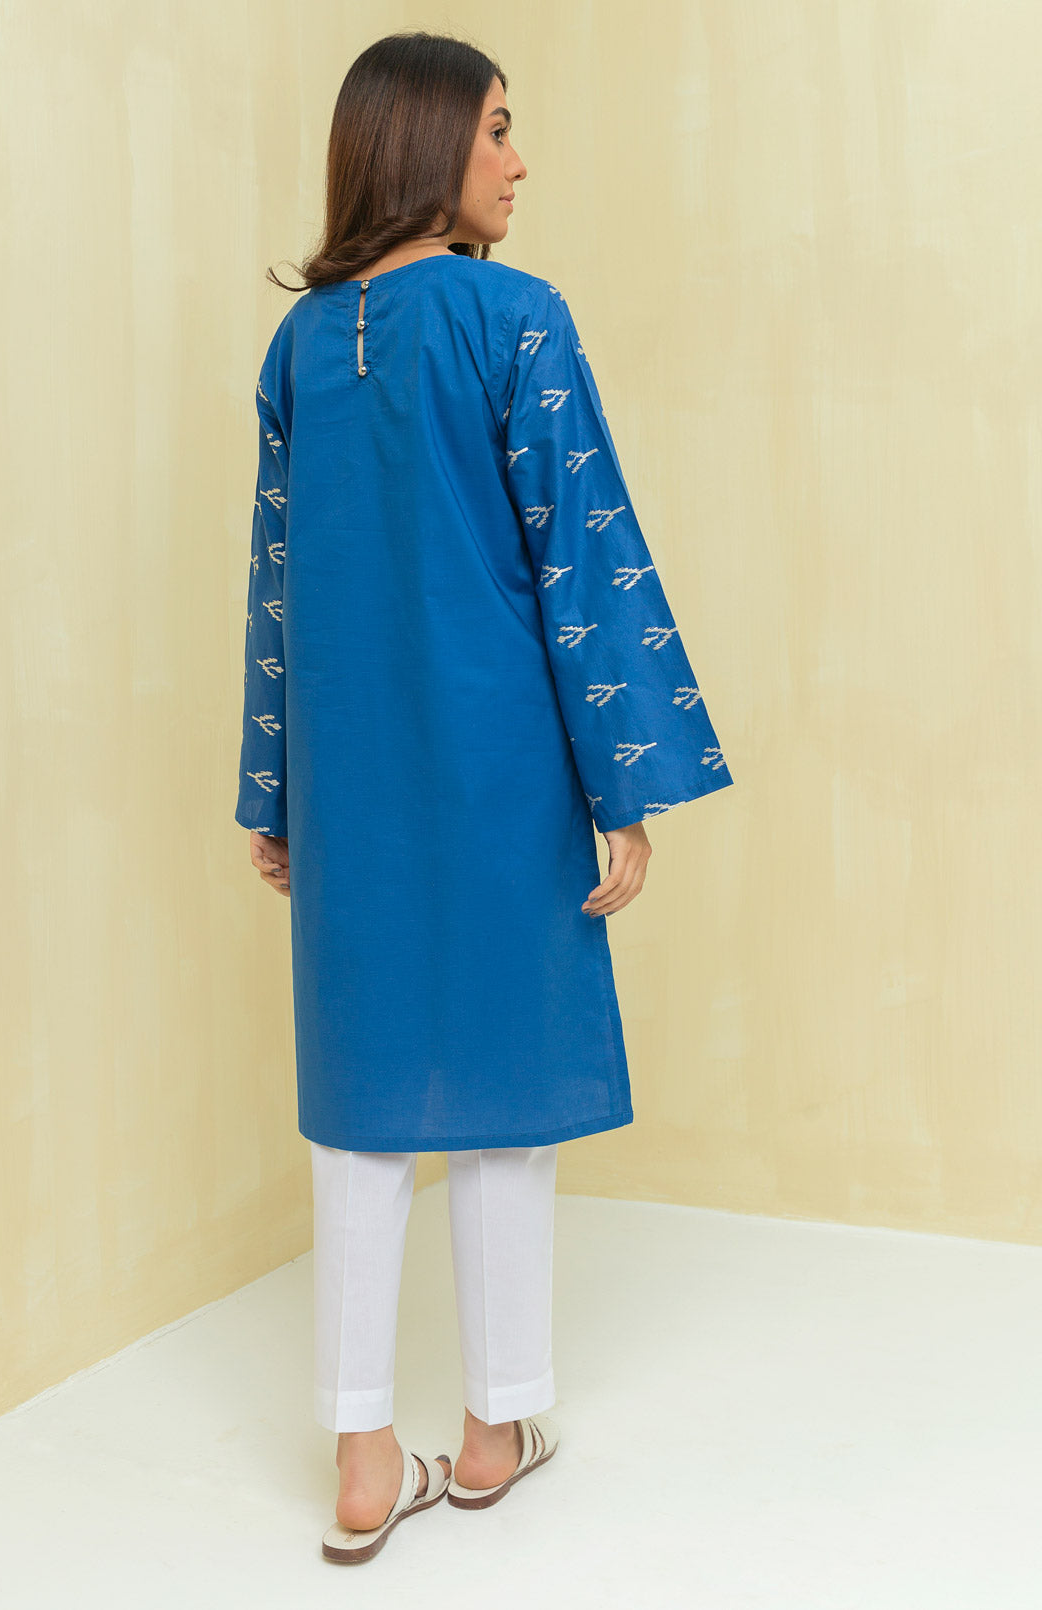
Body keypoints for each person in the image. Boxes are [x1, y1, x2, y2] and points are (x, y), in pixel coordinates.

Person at [235, 31, 735, 1563]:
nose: (519, 161)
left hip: (352, 777)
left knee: (360, 1099)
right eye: (499, 129)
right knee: (507, 1090)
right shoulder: (519, 319)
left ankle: (360, 1455)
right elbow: (583, 557)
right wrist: (625, 785)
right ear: (426, 143)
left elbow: (276, 584)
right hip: (507, 762)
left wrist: (274, 789)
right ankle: (495, 1423)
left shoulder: (300, 348)